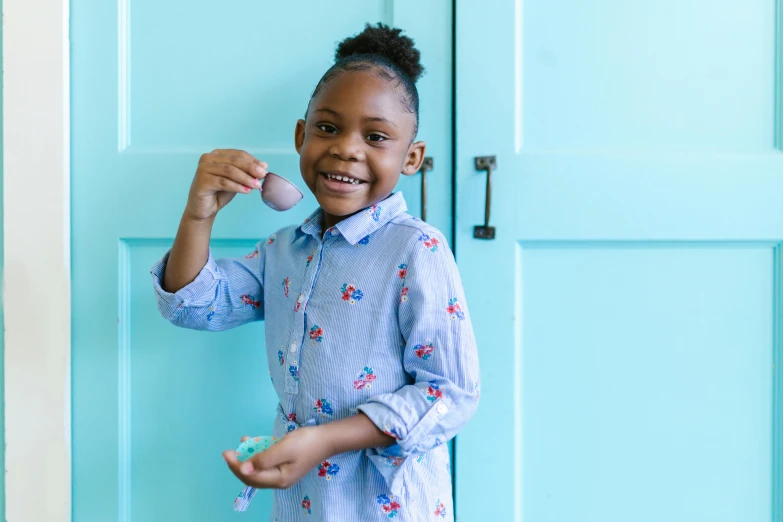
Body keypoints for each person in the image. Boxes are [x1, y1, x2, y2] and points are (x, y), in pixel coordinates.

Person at [150, 22, 479, 522]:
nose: (347, 148)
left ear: (411, 157)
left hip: (386, 504)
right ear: (302, 136)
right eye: (328, 127)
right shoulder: (284, 251)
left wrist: (323, 440)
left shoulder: (417, 250)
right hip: (304, 499)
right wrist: (199, 213)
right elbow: (194, 305)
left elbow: (449, 393)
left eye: (375, 136)